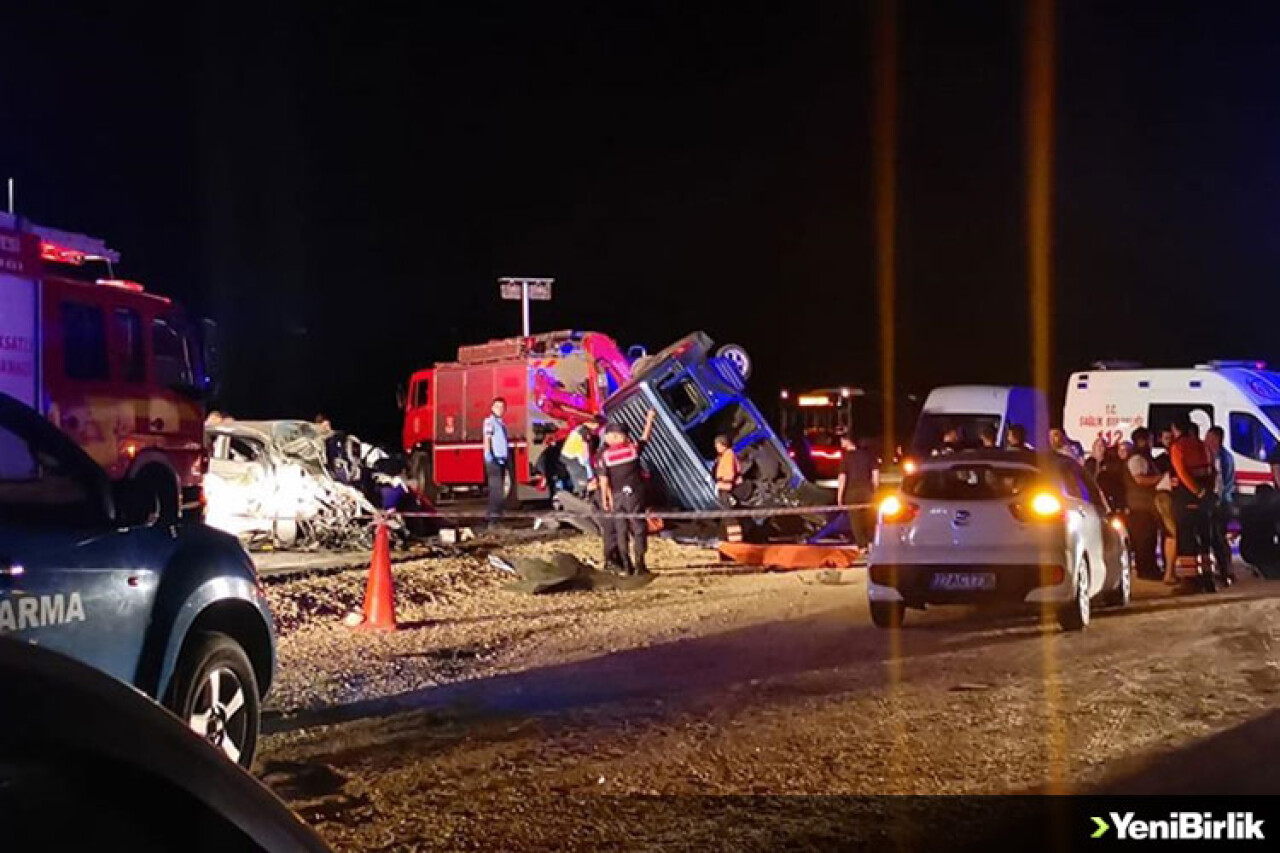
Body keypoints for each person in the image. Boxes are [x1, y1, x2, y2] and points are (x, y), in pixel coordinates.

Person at [598, 410, 657, 574]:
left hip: (617, 497)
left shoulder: (605, 456)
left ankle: (627, 566)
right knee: (638, 528)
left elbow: (604, 481)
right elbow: (645, 438)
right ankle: (640, 564)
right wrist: (649, 420)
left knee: (621, 530)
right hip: (635, 495)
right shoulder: (632, 449)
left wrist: (606, 499)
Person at [1169, 418, 1216, 584]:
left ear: (1176, 429)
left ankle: (1190, 579)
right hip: (1205, 499)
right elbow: (1212, 470)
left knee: (1186, 538)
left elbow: (1182, 473)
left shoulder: (1178, 447)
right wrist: (1206, 492)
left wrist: (1196, 491)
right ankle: (1208, 576)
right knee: (1204, 537)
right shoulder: (1203, 445)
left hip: (1186, 497)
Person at [1125, 429, 1163, 580]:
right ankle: (1146, 571)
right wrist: (1160, 479)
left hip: (1145, 506)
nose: (1152, 444)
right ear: (1142, 441)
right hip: (1139, 506)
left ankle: (1150, 568)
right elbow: (1140, 479)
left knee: (1149, 539)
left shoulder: (1145, 458)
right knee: (1144, 541)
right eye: (1150, 440)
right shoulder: (1137, 459)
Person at [1205, 425, 1236, 582]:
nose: (1206, 440)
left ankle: (1226, 571)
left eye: (1209, 438)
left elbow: (1221, 483)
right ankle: (1226, 569)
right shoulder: (1227, 456)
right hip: (1226, 502)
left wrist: (1215, 501)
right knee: (1220, 537)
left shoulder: (1220, 458)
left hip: (1221, 503)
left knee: (1218, 537)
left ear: (1217, 439)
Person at [838, 433, 880, 546]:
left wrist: (839, 496)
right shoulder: (868, 455)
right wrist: (874, 490)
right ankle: (871, 542)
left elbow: (842, 478)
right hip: (867, 492)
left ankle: (862, 545)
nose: (841, 443)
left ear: (848, 441)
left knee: (856, 521)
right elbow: (875, 474)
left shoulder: (846, 458)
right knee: (869, 518)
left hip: (852, 493)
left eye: (842, 440)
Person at [483, 397, 510, 527]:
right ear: (492, 408)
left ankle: (495, 517)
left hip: (501, 460)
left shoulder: (501, 423)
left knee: (499, 491)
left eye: (502, 407)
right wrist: (489, 455)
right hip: (494, 460)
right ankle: (493, 521)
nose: (500, 409)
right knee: (496, 490)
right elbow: (487, 438)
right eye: (497, 407)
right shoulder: (490, 422)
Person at [713, 434, 743, 505]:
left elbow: (730, 474)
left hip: (731, 488)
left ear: (724, 445)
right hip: (727, 487)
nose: (716, 447)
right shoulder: (723, 456)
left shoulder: (728, 455)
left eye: (718, 445)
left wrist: (721, 485)